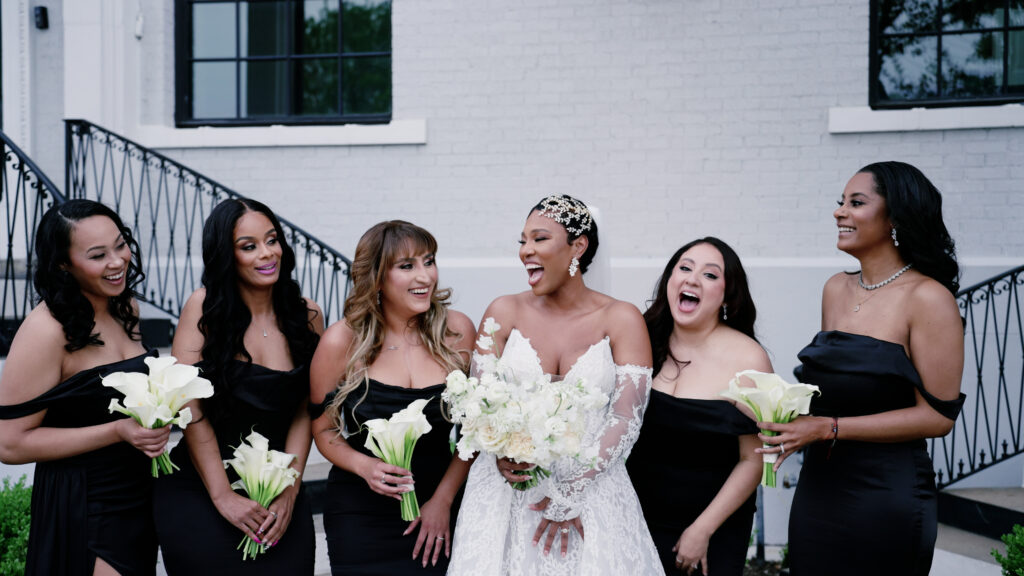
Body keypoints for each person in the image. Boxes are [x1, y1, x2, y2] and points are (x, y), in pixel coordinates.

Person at [759, 162, 965, 576]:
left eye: (856, 203)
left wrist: (827, 428)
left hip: (885, 495)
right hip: (820, 488)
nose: (840, 212)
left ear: (894, 218)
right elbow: (835, 388)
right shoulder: (835, 289)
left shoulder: (929, 298)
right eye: (841, 203)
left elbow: (938, 416)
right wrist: (787, 414)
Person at [448, 194, 664, 575]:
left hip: (592, 493)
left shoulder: (621, 318)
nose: (525, 251)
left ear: (577, 246)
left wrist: (572, 493)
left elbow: (626, 417)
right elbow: (478, 402)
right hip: (504, 494)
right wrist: (498, 449)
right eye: (522, 241)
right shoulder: (503, 311)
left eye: (540, 239)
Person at [153, 198, 323, 574]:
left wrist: (290, 489)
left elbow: (306, 408)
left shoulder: (308, 315)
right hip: (203, 487)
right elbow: (190, 410)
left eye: (272, 240)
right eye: (249, 246)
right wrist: (222, 495)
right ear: (226, 255)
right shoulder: (203, 308)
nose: (267, 254)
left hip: (279, 489)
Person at [0, 199, 169, 576]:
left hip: (139, 495)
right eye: (98, 255)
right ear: (63, 264)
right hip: (86, 506)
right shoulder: (45, 331)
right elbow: (9, 443)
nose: (117, 261)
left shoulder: (125, 307)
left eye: (121, 244)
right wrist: (118, 430)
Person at [309, 220, 474, 575]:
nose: (425, 277)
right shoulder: (342, 342)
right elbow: (322, 430)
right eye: (407, 266)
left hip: (442, 509)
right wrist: (363, 466)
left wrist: (443, 501)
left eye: (429, 261)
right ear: (377, 277)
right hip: (361, 517)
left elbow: (475, 432)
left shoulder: (457, 332)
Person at [628, 237, 771, 575]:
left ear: (727, 295)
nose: (692, 279)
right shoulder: (640, 338)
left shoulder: (749, 358)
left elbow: (754, 458)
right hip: (633, 518)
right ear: (670, 280)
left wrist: (702, 529)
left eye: (709, 275)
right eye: (685, 268)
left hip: (712, 529)